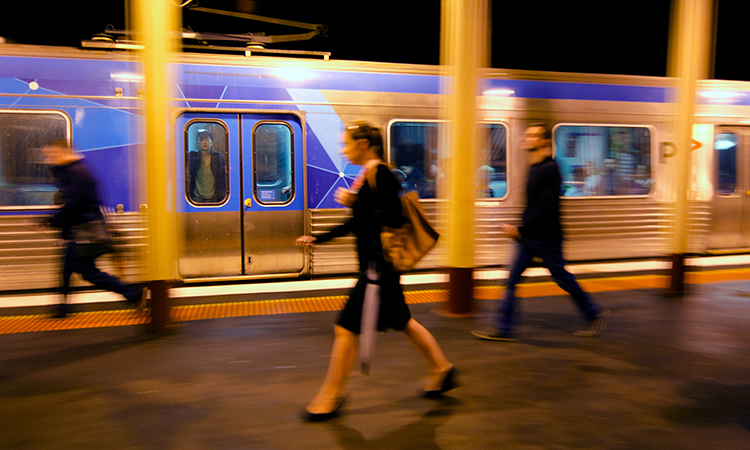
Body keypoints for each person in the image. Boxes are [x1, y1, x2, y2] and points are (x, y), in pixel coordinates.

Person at [295, 121, 457, 422]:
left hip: (377, 271)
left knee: (345, 327)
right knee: (404, 321)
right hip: (379, 269)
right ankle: (441, 368)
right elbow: (359, 223)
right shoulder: (367, 175)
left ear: (364, 144)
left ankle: (333, 394)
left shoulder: (381, 173)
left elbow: (393, 218)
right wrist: (319, 238)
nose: (343, 148)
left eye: (347, 143)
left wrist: (356, 202)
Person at [472, 124, 609, 341]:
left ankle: (594, 313)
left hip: (547, 238)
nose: (526, 139)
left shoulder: (550, 169)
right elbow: (534, 206)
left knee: (562, 278)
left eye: (533, 136)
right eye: (526, 135)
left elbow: (546, 207)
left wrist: (520, 229)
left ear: (544, 141)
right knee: (511, 280)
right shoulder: (534, 167)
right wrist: (522, 231)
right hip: (530, 237)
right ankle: (503, 329)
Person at [42, 139, 146, 318]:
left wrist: (50, 221)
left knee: (86, 271)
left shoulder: (78, 173)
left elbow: (73, 204)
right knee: (67, 266)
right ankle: (63, 307)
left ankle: (132, 292)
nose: (47, 159)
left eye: (50, 155)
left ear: (61, 152)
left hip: (85, 231)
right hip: (79, 230)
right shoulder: (72, 171)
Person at [188, 129, 227, 204]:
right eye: (201, 140)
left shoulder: (218, 157)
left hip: (215, 197)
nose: (204, 143)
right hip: (196, 197)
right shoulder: (193, 157)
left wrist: (222, 195)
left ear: (212, 142)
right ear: (198, 143)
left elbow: (222, 178)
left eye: (207, 140)